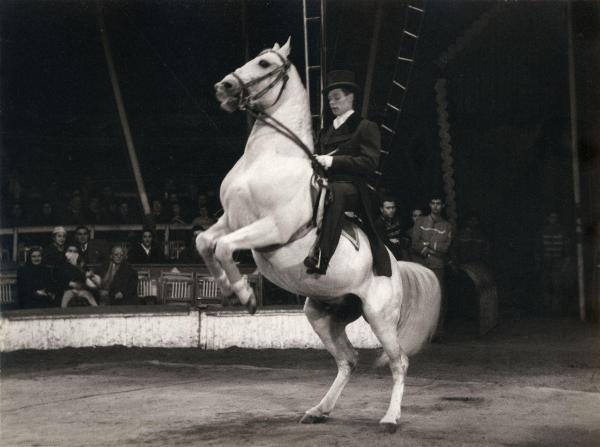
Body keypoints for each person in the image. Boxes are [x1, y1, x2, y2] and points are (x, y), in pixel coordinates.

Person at [303, 70, 390, 277]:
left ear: (350, 98)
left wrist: (333, 161)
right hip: (325, 182)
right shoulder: (325, 131)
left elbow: (369, 163)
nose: (332, 103)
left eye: (337, 98)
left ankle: (322, 256)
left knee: (335, 192)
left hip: (354, 188)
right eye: (329, 99)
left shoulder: (365, 126)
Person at [411, 194, 453, 338]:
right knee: (420, 296)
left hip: (437, 266)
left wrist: (428, 245)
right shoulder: (421, 222)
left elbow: (445, 248)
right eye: (433, 203)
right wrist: (432, 248)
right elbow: (415, 243)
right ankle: (419, 332)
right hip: (421, 265)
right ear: (430, 205)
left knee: (437, 297)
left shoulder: (447, 226)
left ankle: (436, 332)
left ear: (442, 206)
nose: (436, 206)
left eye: (438, 203)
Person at [374, 196, 403, 260]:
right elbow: (383, 244)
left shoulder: (397, 220)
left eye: (393, 207)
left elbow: (402, 237)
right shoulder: (378, 224)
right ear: (381, 209)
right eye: (388, 208)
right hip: (388, 257)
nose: (391, 210)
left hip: (399, 253)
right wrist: (390, 242)